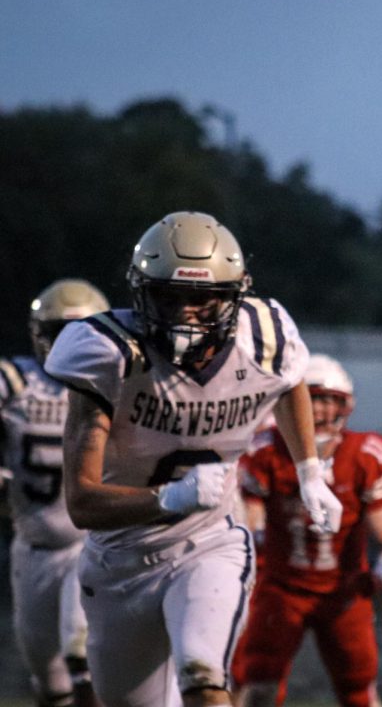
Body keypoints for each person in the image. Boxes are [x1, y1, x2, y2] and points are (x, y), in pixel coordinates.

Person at [45, 210, 343, 707]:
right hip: (120, 557)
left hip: (209, 542)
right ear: (142, 293)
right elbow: (83, 503)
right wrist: (170, 497)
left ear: (234, 297)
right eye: (170, 297)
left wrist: (309, 472)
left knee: (203, 679)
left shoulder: (264, 337)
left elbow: (290, 382)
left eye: (202, 300)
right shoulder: (107, 352)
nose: (186, 313)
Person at [232, 353, 382, 707]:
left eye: (329, 400)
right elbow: (249, 526)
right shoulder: (265, 452)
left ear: (347, 405)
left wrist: (380, 577)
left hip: (343, 591)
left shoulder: (365, 456)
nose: (318, 412)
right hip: (281, 586)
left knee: (359, 690)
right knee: (259, 685)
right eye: (311, 399)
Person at [1, 279, 109, 707]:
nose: (67, 344)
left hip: (92, 542)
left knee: (81, 655)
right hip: (32, 544)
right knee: (48, 678)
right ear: (37, 334)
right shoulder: (17, 379)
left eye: (79, 332)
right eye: (57, 331)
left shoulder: (113, 383)